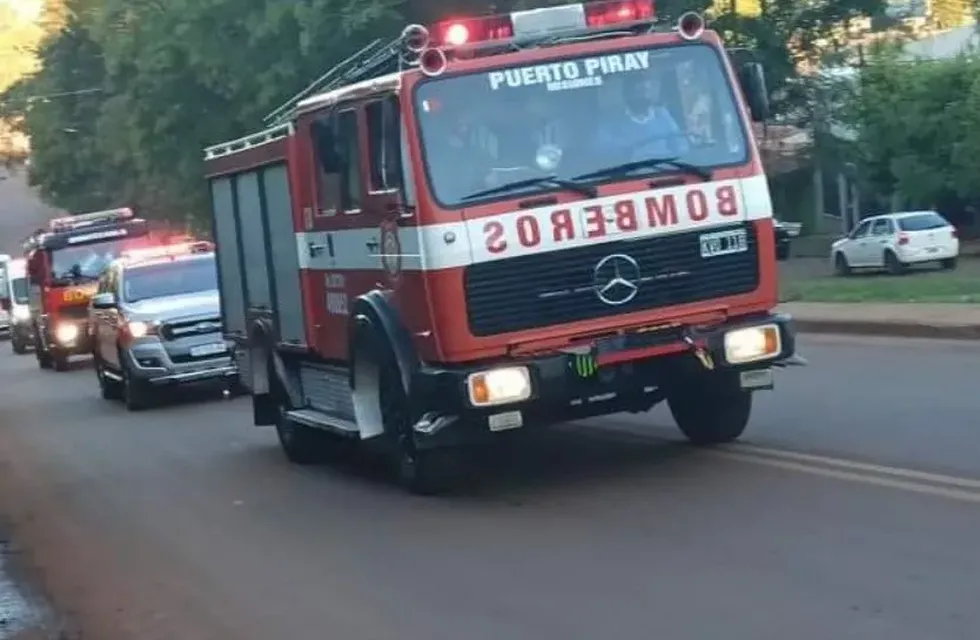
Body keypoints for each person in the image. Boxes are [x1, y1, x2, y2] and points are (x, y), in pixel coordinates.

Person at [594, 72, 690, 162]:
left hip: (668, 168)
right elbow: (603, 152)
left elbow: (680, 144)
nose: (645, 96)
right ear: (628, 93)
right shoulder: (612, 121)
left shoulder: (661, 114)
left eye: (647, 91)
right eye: (640, 91)